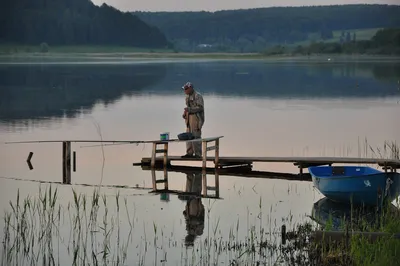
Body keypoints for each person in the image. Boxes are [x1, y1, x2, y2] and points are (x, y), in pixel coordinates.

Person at [181, 82, 205, 158]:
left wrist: (190, 109)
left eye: (186, 89)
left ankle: (198, 154)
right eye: (184, 89)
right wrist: (185, 113)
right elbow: (187, 107)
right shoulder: (187, 97)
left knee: (196, 135)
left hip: (196, 118)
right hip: (189, 118)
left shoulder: (198, 96)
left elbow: (200, 108)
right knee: (188, 136)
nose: (185, 90)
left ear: (191, 88)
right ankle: (189, 153)